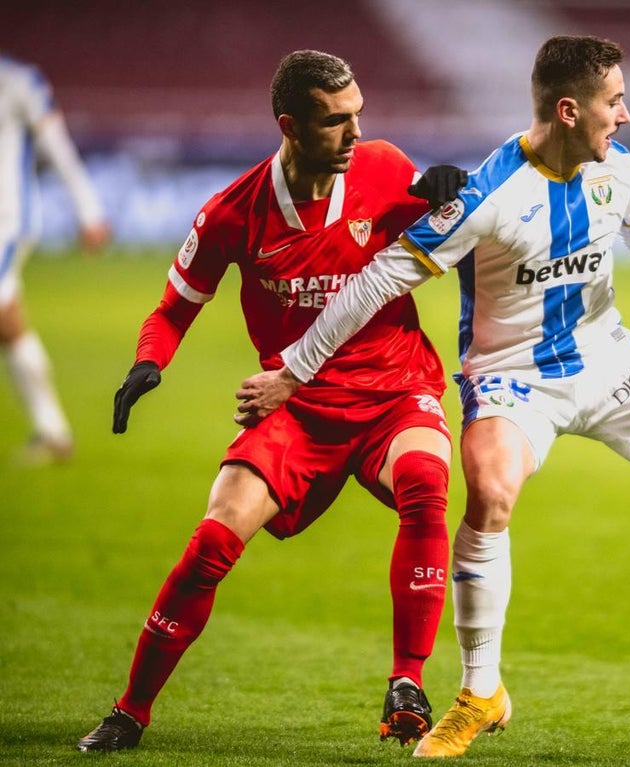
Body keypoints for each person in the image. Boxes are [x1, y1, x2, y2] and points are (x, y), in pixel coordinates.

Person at [236, 36, 630, 759]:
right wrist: (294, 370)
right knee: (489, 493)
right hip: (513, 376)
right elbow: (377, 280)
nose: (626, 114)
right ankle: (481, 692)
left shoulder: (617, 167)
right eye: (615, 101)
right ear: (570, 111)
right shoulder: (488, 195)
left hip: (607, 361)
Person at [75, 50, 468, 752]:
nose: (354, 132)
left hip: (394, 390)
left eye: (358, 115)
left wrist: (446, 188)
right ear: (290, 125)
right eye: (336, 120)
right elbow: (172, 309)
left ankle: (406, 682)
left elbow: (454, 219)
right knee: (214, 537)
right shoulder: (233, 212)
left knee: (425, 482)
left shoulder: (382, 168)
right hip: (295, 407)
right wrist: (148, 361)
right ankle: (130, 711)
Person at [0, 53, 110, 465]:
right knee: (8, 324)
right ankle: (52, 433)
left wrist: (88, 209)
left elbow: (57, 145)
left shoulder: (17, 81)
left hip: (5, 224)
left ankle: (52, 433)